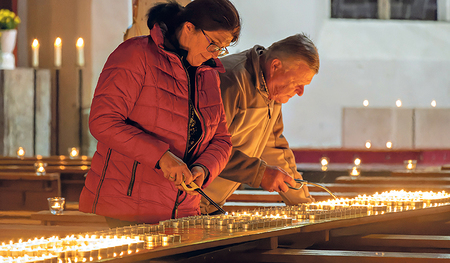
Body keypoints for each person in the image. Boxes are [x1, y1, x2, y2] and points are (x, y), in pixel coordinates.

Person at [79, 0, 241, 226]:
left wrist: (203, 169)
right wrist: (162, 157)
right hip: (127, 207)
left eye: (222, 48)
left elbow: (222, 139)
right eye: (213, 44)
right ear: (188, 27)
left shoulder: (208, 74)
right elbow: (103, 122)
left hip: (183, 210)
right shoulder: (136, 54)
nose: (215, 53)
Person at [200, 34, 319, 215]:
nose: (301, 92)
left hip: (209, 204)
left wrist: (305, 207)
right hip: (184, 200)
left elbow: (274, 149)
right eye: (297, 83)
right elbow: (204, 149)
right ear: (275, 66)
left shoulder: (272, 91)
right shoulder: (230, 80)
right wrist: (259, 173)